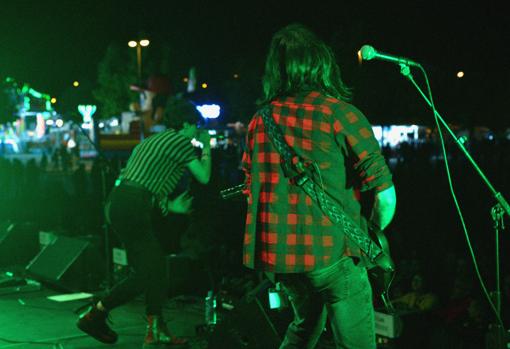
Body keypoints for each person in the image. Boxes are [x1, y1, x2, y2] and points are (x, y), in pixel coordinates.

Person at [241, 24, 396, 349]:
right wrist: (370, 231)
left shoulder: (260, 120)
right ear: (322, 63)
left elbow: (250, 189)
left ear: (275, 70)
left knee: (305, 325)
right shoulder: (340, 114)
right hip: (334, 255)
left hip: (282, 259)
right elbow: (385, 194)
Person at [77, 97, 211, 348]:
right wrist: (206, 147)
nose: (197, 132)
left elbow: (147, 186)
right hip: (134, 206)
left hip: (118, 203)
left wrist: (171, 206)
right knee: (151, 271)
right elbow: (204, 176)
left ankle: (155, 328)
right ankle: (96, 314)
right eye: (196, 126)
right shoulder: (180, 142)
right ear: (186, 124)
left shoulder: (149, 142)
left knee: (154, 268)